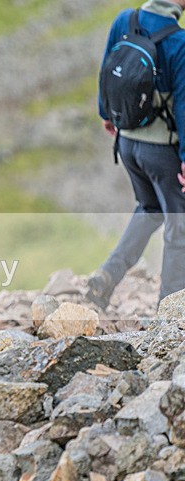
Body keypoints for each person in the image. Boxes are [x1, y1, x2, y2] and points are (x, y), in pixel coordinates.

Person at [88, 0, 185, 309]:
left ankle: (106, 276)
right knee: (178, 223)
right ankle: (170, 312)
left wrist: (109, 115)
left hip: (127, 144)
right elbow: (183, 108)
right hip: (161, 151)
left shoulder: (125, 20)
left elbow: (108, 70)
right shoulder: (179, 41)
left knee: (149, 207)